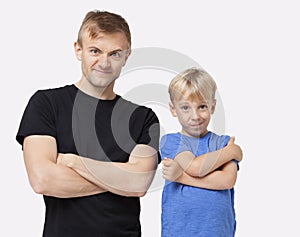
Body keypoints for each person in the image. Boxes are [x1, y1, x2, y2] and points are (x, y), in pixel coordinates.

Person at [16, 10, 161, 237]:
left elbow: (139, 183)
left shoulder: (143, 117)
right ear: (78, 50)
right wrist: (120, 180)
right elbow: (43, 180)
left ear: (127, 57)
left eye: (115, 54)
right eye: (95, 51)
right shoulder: (46, 104)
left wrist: (73, 162)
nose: (104, 62)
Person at [160, 68, 242, 237]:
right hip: (179, 231)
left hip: (218, 231)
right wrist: (232, 152)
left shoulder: (222, 142)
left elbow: (227, 180)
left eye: (202, 106)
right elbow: (196, 167)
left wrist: (180, 177)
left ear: (212, 107)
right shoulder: (171, 141)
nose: (195, 116)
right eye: (185, 108)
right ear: (173, 109)